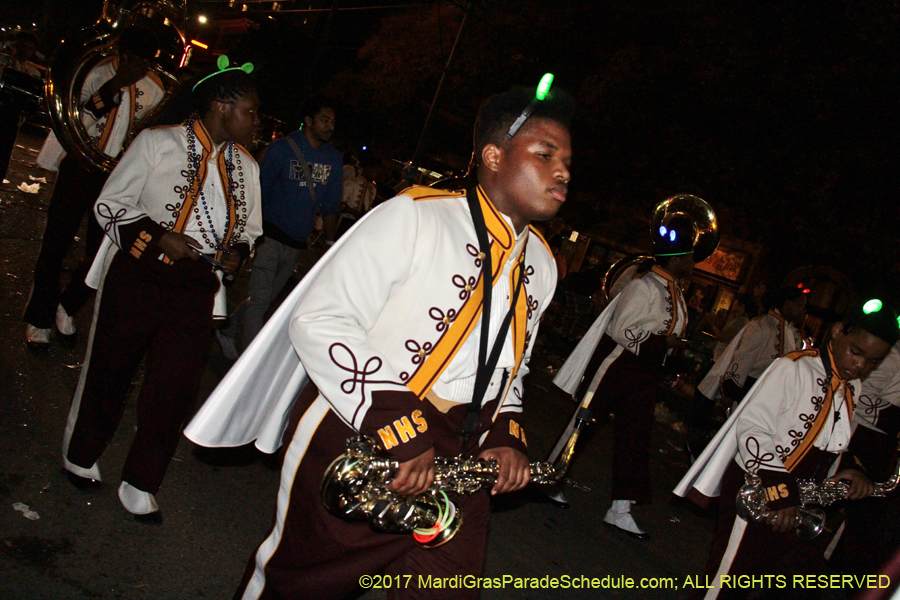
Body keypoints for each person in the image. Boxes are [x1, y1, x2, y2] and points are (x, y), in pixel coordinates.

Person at [185, 84, 573, 599]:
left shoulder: (542, 265)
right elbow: (320, 319)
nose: (563, 172)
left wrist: (504, 430)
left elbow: (511, 365)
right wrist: (396, 422)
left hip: (463, 458)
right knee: (300, 587)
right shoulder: (414, 216)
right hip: (360, 434)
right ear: (493, 156)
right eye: (546, 155)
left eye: (567, 160)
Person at [60, 61, 262, 523]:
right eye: (250, 111)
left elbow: (250, 230)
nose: (256, 122)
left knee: (173, 388)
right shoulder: (157, 143)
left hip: (194, 290)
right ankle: (82, 452)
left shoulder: (247, 167)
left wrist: (237, 255)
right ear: (220, 106)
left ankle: (141, 481)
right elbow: (109, 205)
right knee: (111, 369)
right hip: (138, 275)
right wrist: (155, 235)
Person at [675, 302, 899, 600]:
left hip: (800, 496)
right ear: (837, 332)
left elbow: (832, 440)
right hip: (759, 487)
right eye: (856, 352)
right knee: (727, 580)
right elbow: (753, 430)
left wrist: (851, 469)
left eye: (873, 362)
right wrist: (780, 493)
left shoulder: (851, 387)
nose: (860, 366)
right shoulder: (794, 367)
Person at [551, 210, 699, 539]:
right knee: (585, 423)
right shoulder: (644, 285)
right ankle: (552, 479)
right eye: (688, 255)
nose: (692, 261)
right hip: (619, 367)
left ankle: (620, 508)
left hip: (644, 373)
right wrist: (664, 342)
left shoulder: (674, 289)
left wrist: (671, 350)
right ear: (676, 259)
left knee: (636, 437)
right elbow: (621, 330)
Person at [23, 26, 166, 348]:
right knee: (55, 246)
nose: (139, 67)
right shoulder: (93, 74)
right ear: (121, 53)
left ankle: (67, 305)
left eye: (146, 62)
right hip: (79, 168)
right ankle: (39, 319)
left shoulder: (155, 89)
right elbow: (74, 123)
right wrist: (114, 86)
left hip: (116, 178)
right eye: (133, 58)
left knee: (99, 252)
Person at [215, 96, 343, 358]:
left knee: (266, 299)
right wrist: (247, 232)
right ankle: (247, 364)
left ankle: (227, 330)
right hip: (270, 236)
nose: (330, 126)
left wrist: (330, 244)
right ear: (308, 121)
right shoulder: (282, 149)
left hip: (297, 242)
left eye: (333, 121)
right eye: (324, 120)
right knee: (260, 300)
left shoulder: (333, 160)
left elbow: (331, 205)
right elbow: (257, 190)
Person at [686, 284, 809, 457]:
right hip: (749, 394)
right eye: (800, 305)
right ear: (787, 303)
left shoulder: (790, 333)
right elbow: (742, 361)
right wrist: (730, 393)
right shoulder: (762, 326)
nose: (804, 311)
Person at [827, 338, 900, 576]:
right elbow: (858, 391)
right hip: (862, 436)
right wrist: (894, 418)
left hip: (884, 444)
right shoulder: (892, 353)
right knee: (845, 498)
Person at [0, 31, 42, 180]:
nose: (25, 51)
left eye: (30, 49)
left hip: (13, 118)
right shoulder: (3, 61)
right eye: (23, 46)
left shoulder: (32, 72)